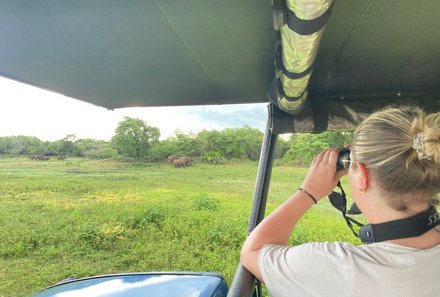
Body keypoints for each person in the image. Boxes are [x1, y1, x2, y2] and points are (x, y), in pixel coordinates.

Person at [240, 106, 440, 297]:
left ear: (362, 175)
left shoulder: (341, 268)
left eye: (350, 163)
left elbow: (253, 251)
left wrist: (308, 192)